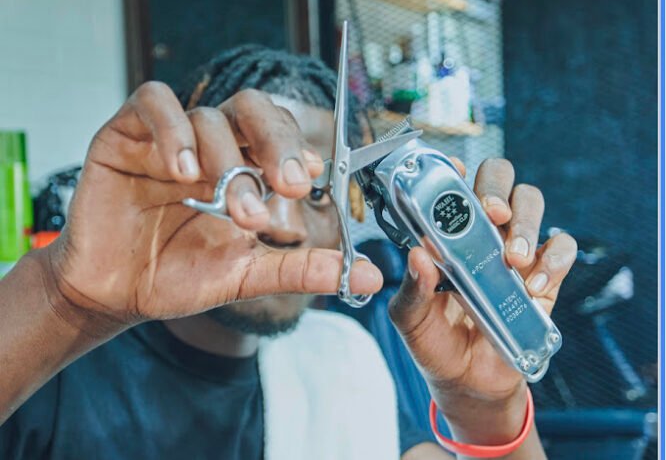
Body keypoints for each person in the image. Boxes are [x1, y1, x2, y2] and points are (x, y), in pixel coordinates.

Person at [0, 46, 577, 459]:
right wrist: (60, 300)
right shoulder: (47, 365)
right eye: (248, 181)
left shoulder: (344, 364)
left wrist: (485, 412)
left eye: (317, 191)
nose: (283, 224)